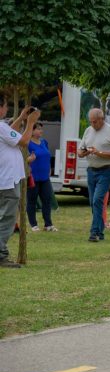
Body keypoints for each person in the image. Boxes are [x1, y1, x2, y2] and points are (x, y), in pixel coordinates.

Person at [0, 101, 41, 268]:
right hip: (7, 180)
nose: (6, 109)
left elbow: (10, 132)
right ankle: (1, 255)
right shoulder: (1, 127)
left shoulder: (3, 127)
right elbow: (24, 141)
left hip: (6, 179)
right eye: (4, 106)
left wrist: (21, 118)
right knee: (7, 218)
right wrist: (30, 122)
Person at [78, 108, 110, 242]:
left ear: (102, 119)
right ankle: (100, 232)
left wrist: (100, 153)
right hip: (91, 170)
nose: (93, 124)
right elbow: (80, 151)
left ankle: (94, 232)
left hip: (106, 170)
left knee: (98, 199)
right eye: (91, 122)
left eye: (95, 122)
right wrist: (86, 152)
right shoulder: (88, 130)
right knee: (93, 202)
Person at [26, 122, 57, 232]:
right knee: (32, 201)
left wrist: (49, 169)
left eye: (41, 129)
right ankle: (33, 225)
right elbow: (22, 159)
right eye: (38, 129)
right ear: (32, 131)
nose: (41, 131)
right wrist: (28, 160)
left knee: (47, 200)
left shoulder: (44, 142)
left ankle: (48, 224)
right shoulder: (27, 143)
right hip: (33, 177)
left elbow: (47, 156)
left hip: (45, 177)